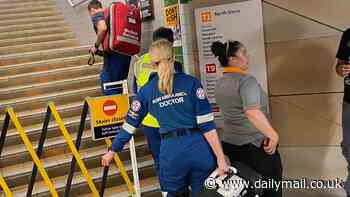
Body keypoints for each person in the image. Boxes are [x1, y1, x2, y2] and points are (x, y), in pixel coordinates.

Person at [102, 40, 228, 197]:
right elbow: (207, 125)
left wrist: (113, 150)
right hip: (199, 150)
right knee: (203, 193)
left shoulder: (146, 92)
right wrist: (221, 159)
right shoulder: (191, 83)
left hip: (171, 152)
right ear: (174, 58)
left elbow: (129, 125)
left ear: (152, 64)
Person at [212, 40, 282, 197]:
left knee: (245, 192)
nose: (247, 56)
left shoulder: (220, 83)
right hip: (256, 147)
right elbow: (252, 112)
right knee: (271, 189)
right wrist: (273, 135)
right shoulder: (246, 81)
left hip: (231, 146)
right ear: (232, 59)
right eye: (243, 53)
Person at [132, 27, 183, 175]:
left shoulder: (138, 63)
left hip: (148, 120)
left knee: (159, 159)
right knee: (176, 158)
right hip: (170, 120)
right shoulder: (175, 63)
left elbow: (135, 89)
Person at [88, 0, 131, 95]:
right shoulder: (113, 15)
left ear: (92, 10)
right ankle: (123, 107)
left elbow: (103, 28)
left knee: (107, 85)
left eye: (90, 14)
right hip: (126, 54)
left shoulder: (98, 15)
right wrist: (98, 52)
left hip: (113, 57)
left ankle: (117, 108)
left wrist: (95, 46)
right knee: (119, 84)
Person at [335, 28, 350, 197]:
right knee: (348, 149)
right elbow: (339, 66)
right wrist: (341, 69)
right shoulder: (348, 34)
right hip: (349, 102)